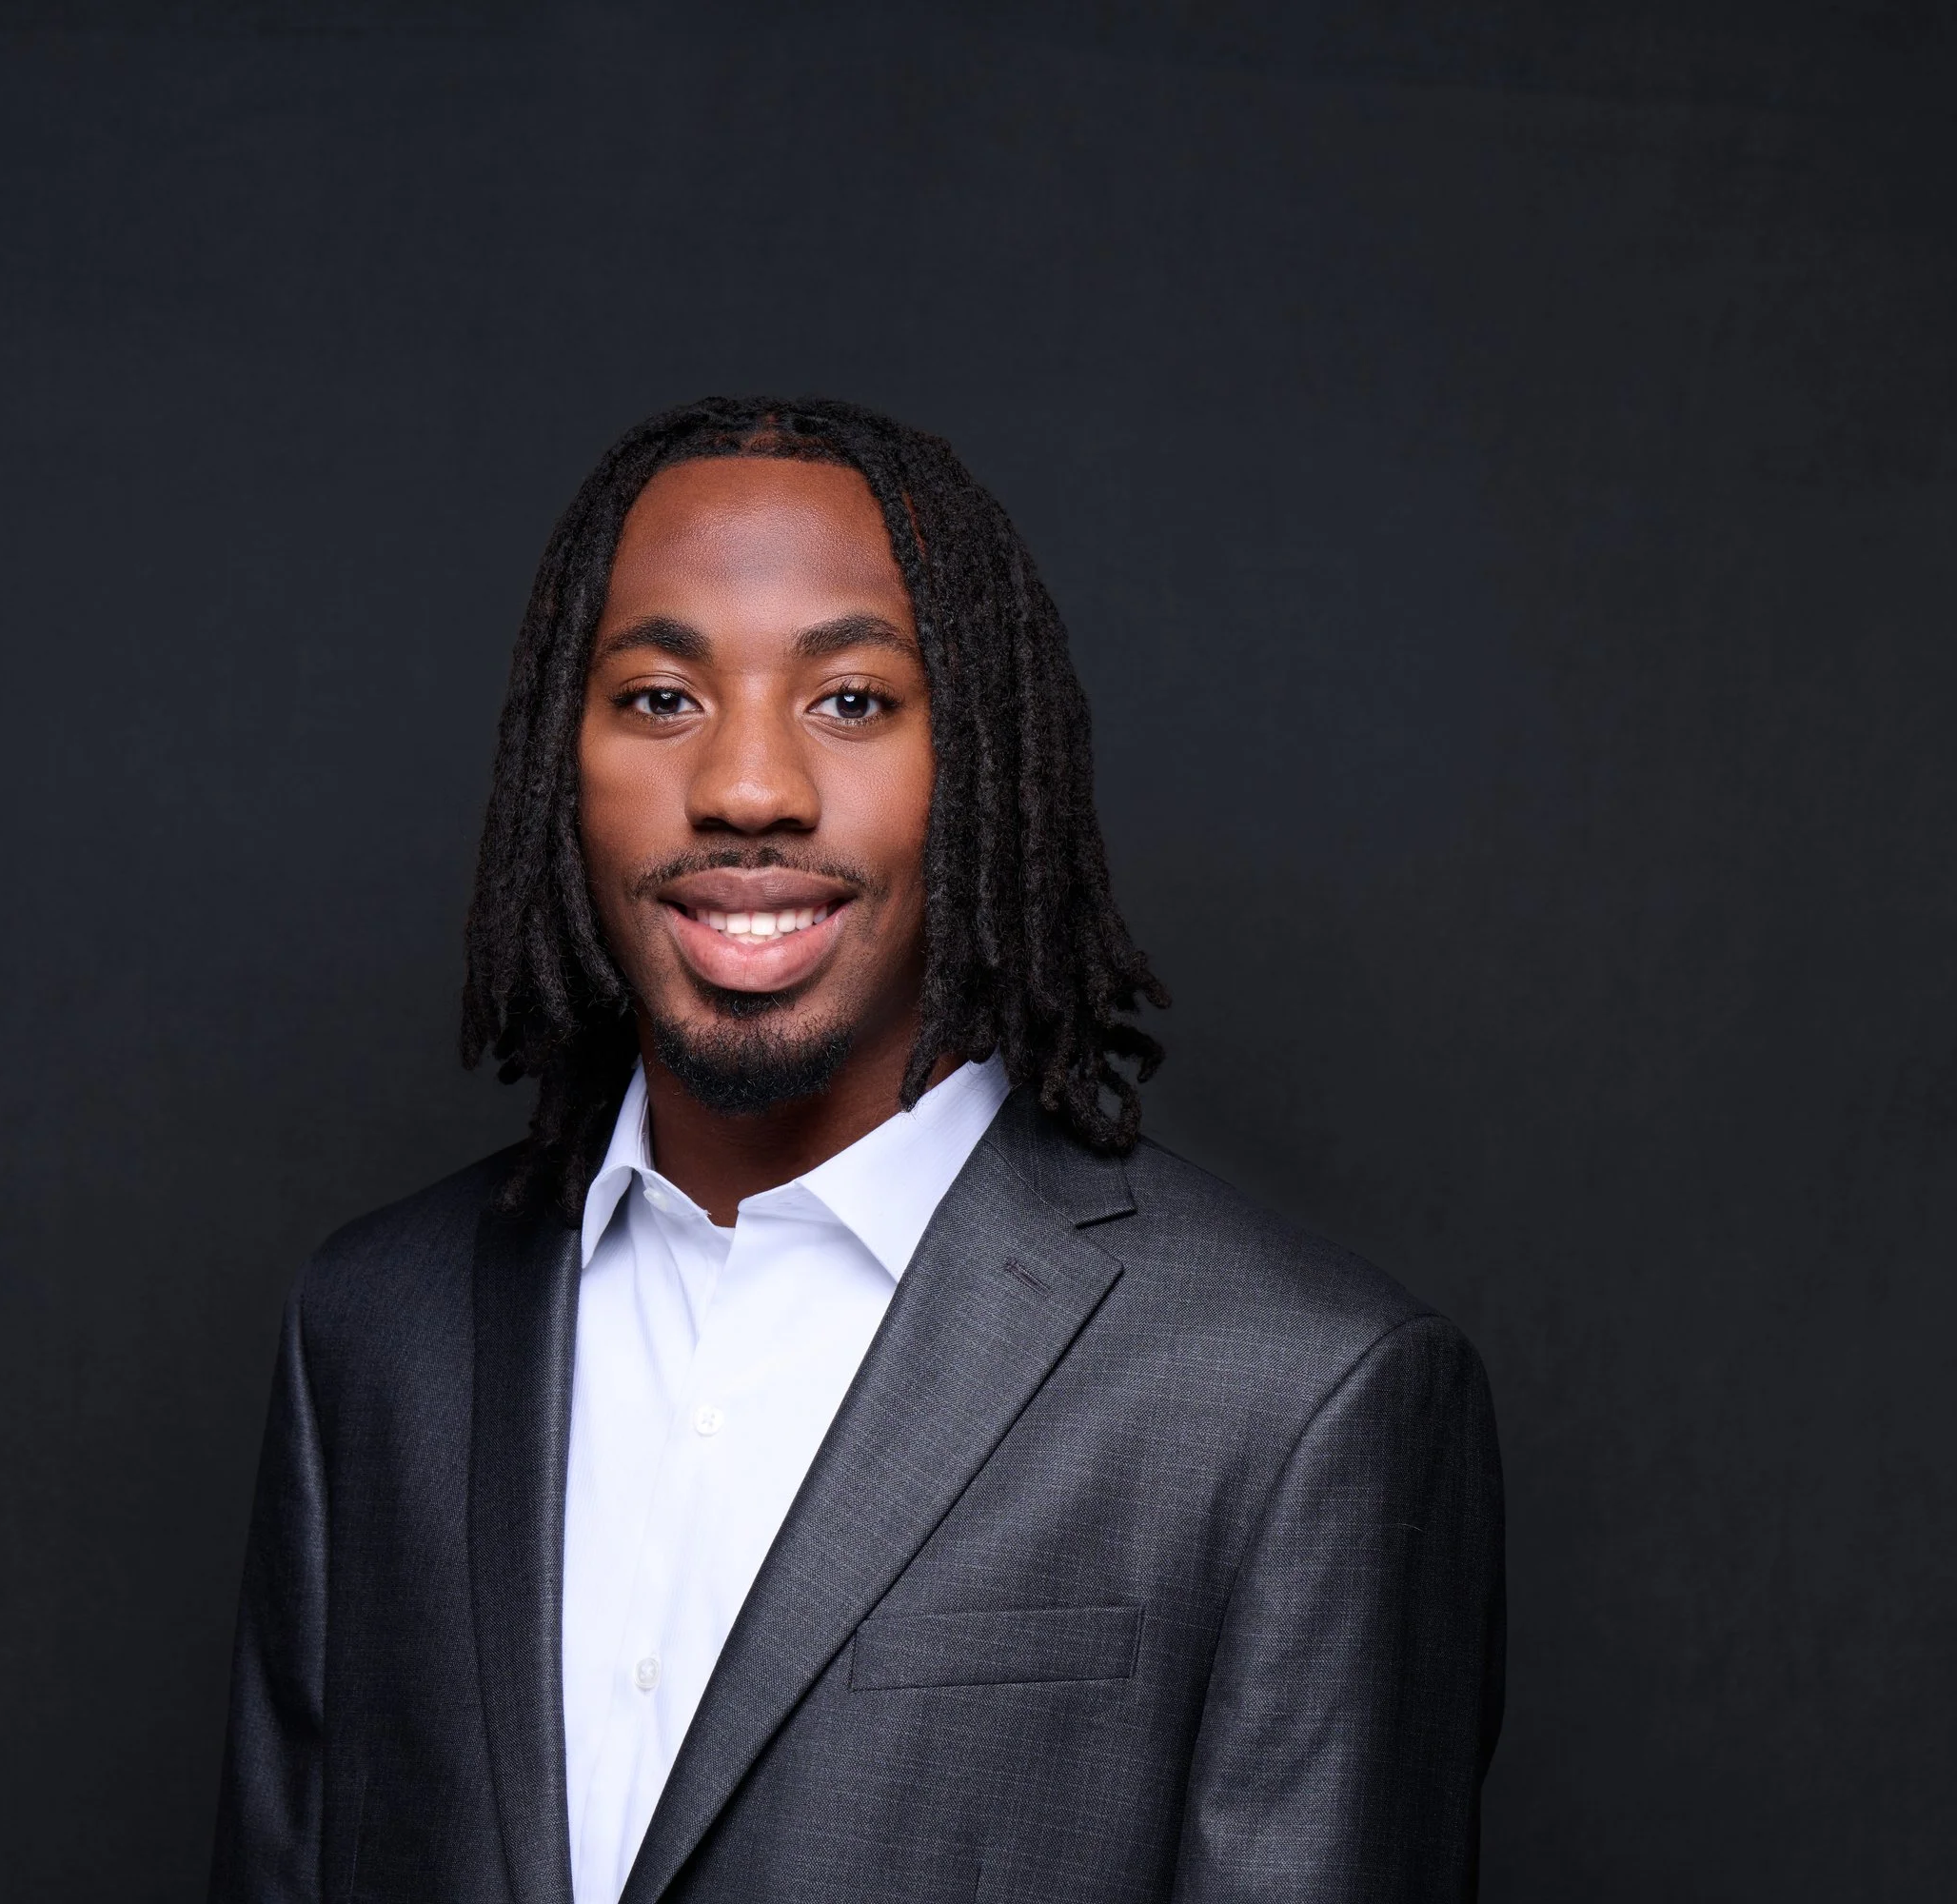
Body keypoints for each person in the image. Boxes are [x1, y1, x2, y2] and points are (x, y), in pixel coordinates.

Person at [209, 396, 1504, 1904]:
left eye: (851, 701)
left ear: (986, 768)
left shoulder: (1299, 1403)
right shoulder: (375, 1333)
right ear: (556, 765)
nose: (748, 788)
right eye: (657, 698)